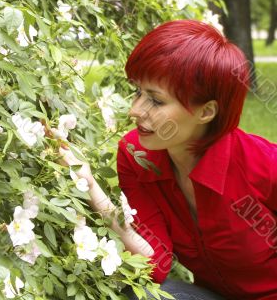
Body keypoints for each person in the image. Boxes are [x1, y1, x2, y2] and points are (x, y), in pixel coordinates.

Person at [60, 20, 277, 300]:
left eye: (156, 101)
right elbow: (153, 264)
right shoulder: (135, 155)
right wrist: (88, 184)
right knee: (144, 294)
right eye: (138, 92)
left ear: (206, 112)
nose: (135, 110)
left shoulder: (263, 164)